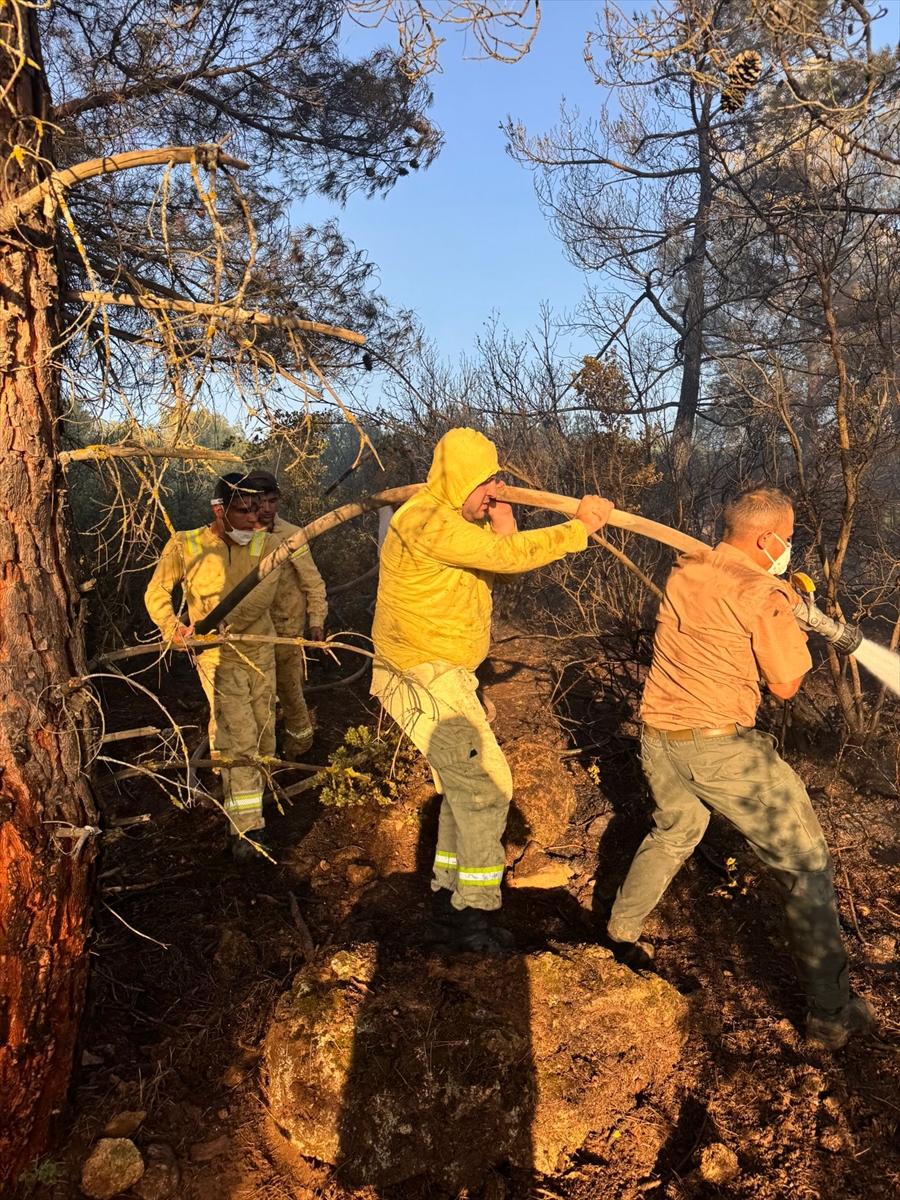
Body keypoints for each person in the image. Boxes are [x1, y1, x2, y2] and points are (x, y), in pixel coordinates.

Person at [605, 486, 875, 1050]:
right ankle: (831, 1013)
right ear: (766, 538)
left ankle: (619, 931)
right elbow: (784, 685)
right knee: (805, 868)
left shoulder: (689, 567)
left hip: (659, 736)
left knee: (676, 829)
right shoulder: (763, 594)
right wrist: (792, 616)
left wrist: (780, 600)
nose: (791, 545)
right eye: (790, 536)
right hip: (720, 747)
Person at [371, 426, 612, 954]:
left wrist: (503, 522)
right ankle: (474, 921)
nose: (494, 490)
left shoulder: (454, 522)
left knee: (462, 795)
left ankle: (446, 907)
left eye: (497, 479)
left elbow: (496, 568)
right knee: (487, 787)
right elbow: (507, 560)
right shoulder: (425, 520)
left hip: (444, 674)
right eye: (486, 482)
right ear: (459, 480)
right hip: (421, 675)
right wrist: (579, 529)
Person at [144, 473, 281, 860]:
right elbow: (156, 591)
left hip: (260, 650)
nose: (254, 520)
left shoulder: (268, 543)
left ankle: (247, 795)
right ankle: (247, 831)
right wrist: (174, 628)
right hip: (216, 658)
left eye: (258, 511)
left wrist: (223, 624)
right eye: (243, 511)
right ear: (219, 510)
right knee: (240, 735)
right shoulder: (184, 544)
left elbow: (262, 595)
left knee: (264, 731)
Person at [245, 470, 328, 760]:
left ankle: (300, 747)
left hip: (287, 634)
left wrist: (316, 620)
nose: (266, 509)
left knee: (291, 693)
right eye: (259, 502)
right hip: (252, 636)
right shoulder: (238, 536)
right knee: (257, 698)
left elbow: (313, 582)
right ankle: (259, 754)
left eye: (273, 501)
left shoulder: (292, 536)